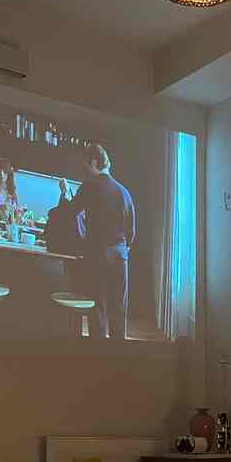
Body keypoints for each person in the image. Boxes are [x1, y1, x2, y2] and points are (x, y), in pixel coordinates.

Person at [69, 144, 136, 339]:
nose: (85, 171)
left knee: (98, 305)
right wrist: (123, 249)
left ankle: (98, 353)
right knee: (118, 307)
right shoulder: (124, 192)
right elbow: (132, 231)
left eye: (85, 167)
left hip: (97, 253)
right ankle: (118, 351)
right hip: (120, 254)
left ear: (94, 162)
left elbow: (72, 213)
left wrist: (66, 194)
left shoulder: (89, 186)